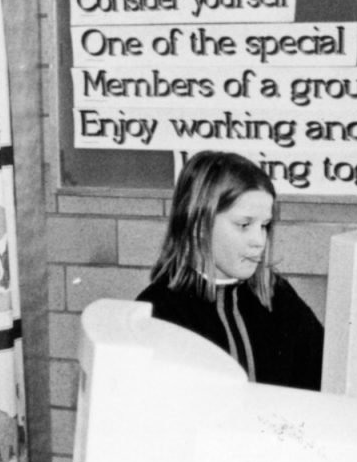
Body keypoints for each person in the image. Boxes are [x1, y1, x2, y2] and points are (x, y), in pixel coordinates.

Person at [137, 150, 324, 391]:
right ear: (199, 226)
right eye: (244, 225)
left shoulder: (277, 296)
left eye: (264, 226)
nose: (259, 240)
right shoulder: (160, 310)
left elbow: (322, 377)